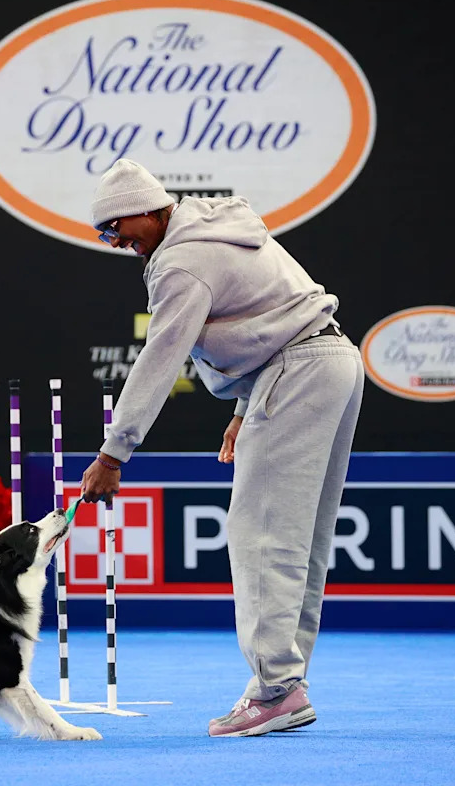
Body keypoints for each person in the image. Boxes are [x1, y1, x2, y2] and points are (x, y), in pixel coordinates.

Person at [78, 159, 365, 737]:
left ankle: (278, 687)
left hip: (296, 369)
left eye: (117, 226)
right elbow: (268, 315)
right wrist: (243, 409)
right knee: (299, 537)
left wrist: (114, 454)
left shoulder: (182, 261)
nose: (115, 241)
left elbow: (160, 359)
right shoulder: (218, 229)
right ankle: (282, 682)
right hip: (333, 362)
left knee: (261, 535)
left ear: (148, 206)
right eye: (103, 234)